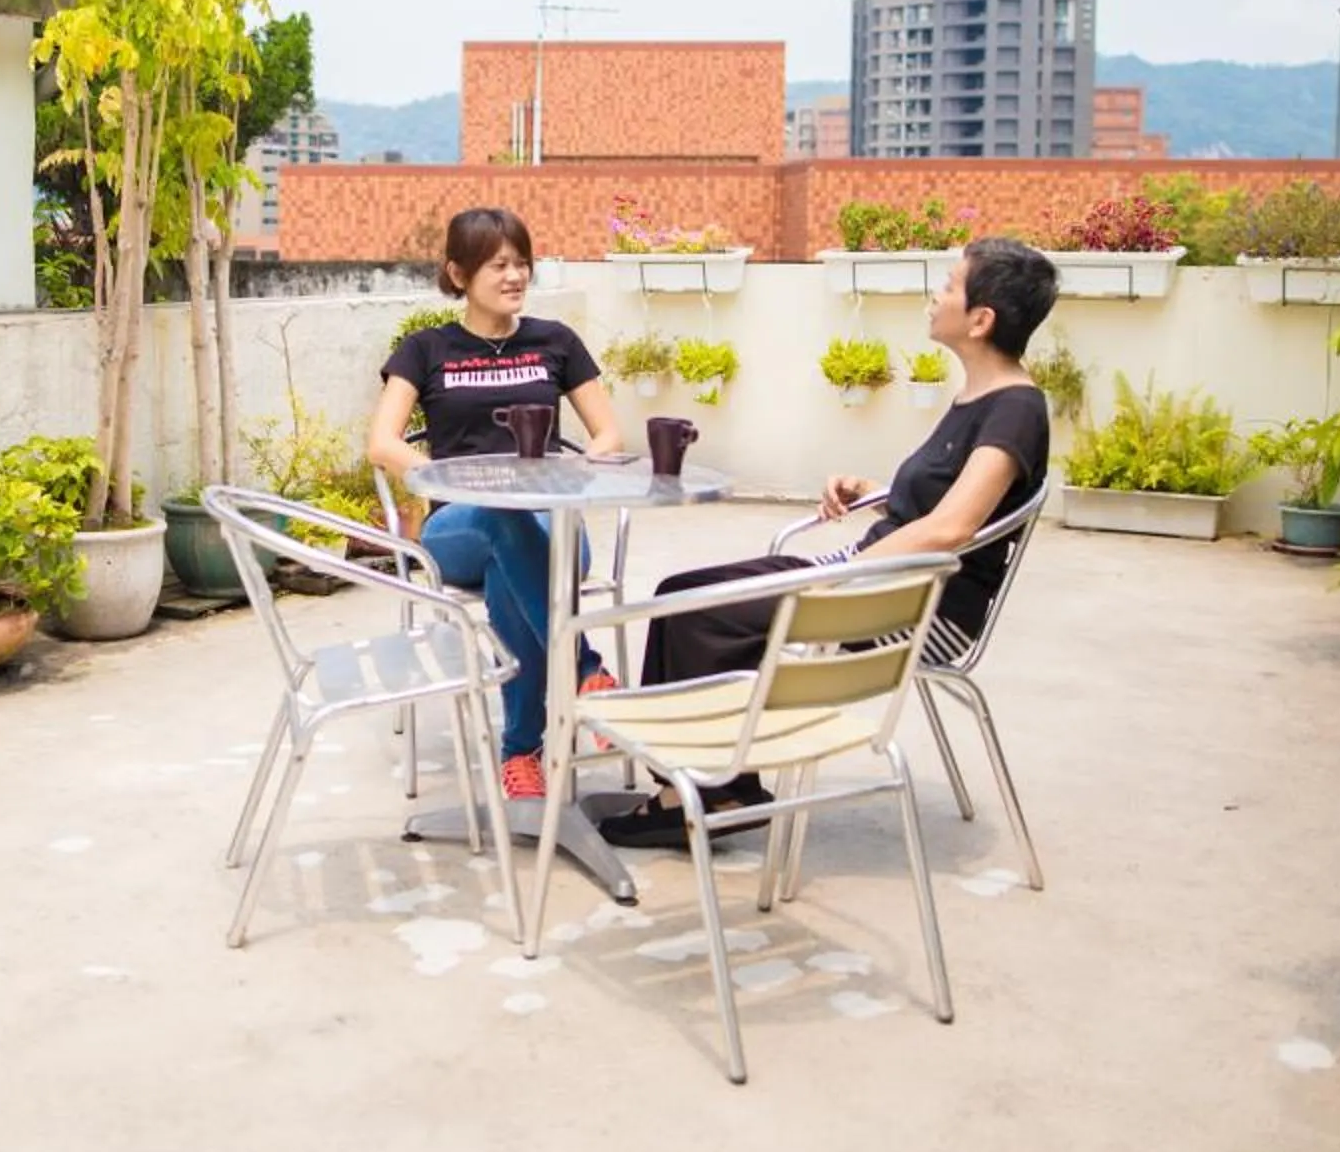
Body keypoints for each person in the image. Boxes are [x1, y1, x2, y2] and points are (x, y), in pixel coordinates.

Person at [600, 235, 1060, 847]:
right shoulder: (978, 398)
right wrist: (877, 492)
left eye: (949, 285)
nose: (935, 295)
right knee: (679, 592)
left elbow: (954, 526)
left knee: (702, 616)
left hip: (916, 606)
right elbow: (939, 500)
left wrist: (843, 573)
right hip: (882, 579)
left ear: (981, 319)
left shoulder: (1015, 410)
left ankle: (712, 792)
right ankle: (685, 786)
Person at [369, 208, 626, 802]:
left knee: (516, 558)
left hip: (549, 520)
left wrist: (577, 468)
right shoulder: (425, 349)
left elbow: (608, 436)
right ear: (458, 274)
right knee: (499, 518)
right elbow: (382, 444)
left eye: (521, 263)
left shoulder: (555, 342)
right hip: (458, 527)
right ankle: (584, 668)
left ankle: (520, 753)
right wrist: (459, 478)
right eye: (498, 265)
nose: (514, 276)